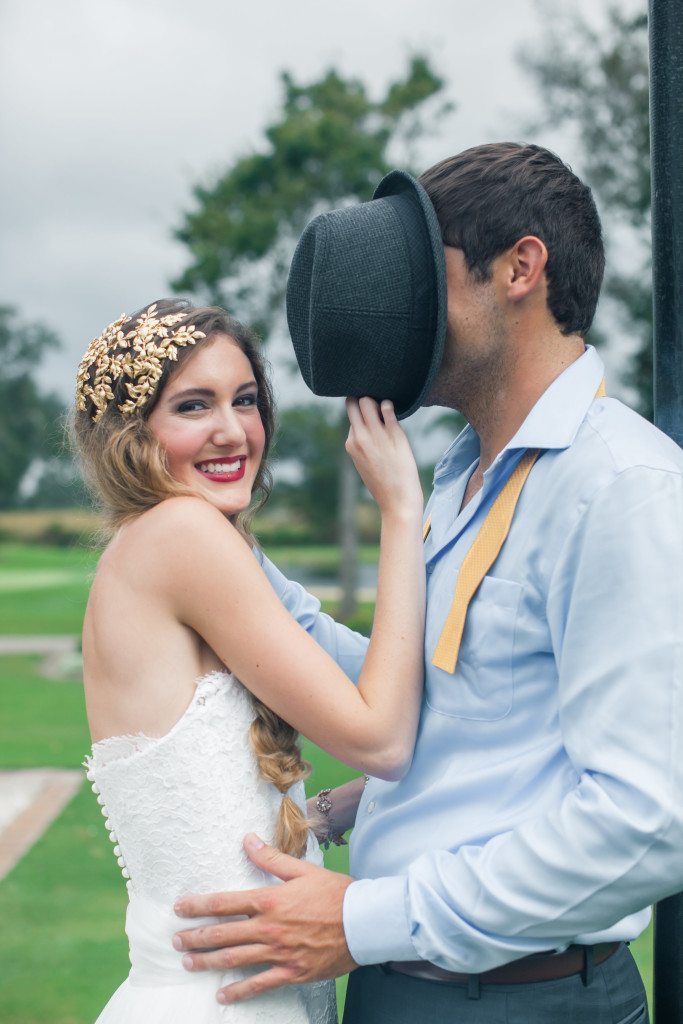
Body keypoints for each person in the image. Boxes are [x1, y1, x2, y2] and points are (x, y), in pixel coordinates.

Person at [172, 144, 683, 1023]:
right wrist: (223, 555)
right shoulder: (460, 476)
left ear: (520, 268)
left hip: (520, 999)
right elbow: (456, 705)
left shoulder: (618, 488)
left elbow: (645, 820)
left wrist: (365, 919)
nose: (396, 308)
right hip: (395, 978)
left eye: (420, 273)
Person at [74, 298, 426, 1024]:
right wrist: (397, 510)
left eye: (244, 401)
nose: (232, 431)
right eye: (193, 406)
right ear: (131, 433)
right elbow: (381, 739)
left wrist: (321, 814)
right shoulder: (182, 534)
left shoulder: (154, 546)